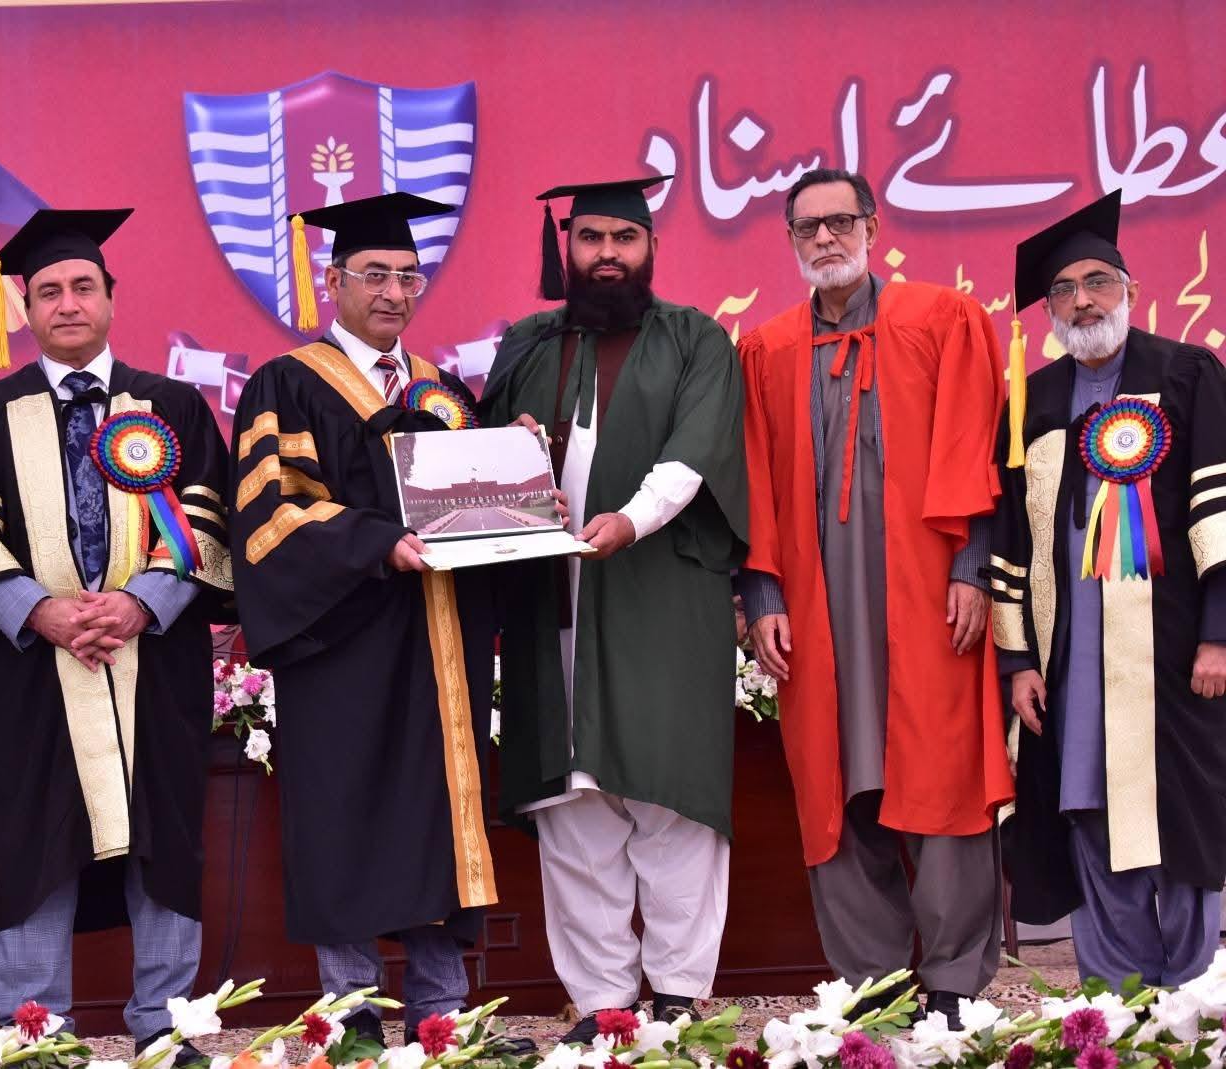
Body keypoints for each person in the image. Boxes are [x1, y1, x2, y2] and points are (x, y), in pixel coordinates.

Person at [0, 209, 232, 1059]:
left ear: (111, 299)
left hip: (154, 657)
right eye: (49, 291)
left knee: (167, 834)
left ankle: (165, 1024)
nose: (67, 304)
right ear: (24, 308)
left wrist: (142, 603)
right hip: (30, 663)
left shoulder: (172, 405)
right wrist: (39, 609)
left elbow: (207, 520)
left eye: (83, 287)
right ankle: (36, 1031)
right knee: (35, 835)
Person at [228, 193, 532, 1051]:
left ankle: (443, 1017)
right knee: (346, 819)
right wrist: (377, 543)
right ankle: (352, 1021)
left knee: (436, 818)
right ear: (334, 282)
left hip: (437, 641)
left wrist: (515, 460)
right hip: (343, 644)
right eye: (374, 275)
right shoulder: (288, 384)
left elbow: (476, 507)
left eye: (408, 276)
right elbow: (271, 513)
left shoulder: (443, 391)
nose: (394, 292)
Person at [737, 168, 1012, 1023]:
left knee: (942, 772)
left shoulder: (943, 319)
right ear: (790, 240)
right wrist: (761, 594)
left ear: (872, 226)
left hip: (929, 594)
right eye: (807, 227)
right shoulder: (767, 348)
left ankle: (953, 983)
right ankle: (874, 983)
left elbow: (976, 446)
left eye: (840, 221)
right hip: (815, 603)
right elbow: (753, 481)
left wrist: (972, 567)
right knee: (835, 781)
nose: (825, 238)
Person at [478, 177, 749, 1037]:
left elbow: (695, 451)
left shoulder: (697, 339)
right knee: (573, 803)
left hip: (661, 590)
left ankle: (677, 990)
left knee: (671, 795)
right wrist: (513, 452)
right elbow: (478, 462)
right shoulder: (526, 344)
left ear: (651, 248)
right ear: (567, 247)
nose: (605, 255)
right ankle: (601, 1000)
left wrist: (632, 519)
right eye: (589, 237)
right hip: (549, 598)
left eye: (622, 239)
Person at [989, 192, 1226, 986]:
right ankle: (1120, 1002)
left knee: (1177, 810)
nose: (1082, 300)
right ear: (1049, 310)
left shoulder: (1187, 373)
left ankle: (1194, 996)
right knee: (1085, 803)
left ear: (1130, 288)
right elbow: (1012, 538)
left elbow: (1219, 513)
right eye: (1063, 289)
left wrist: (1219, 634)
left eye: (1098, 281)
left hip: (1173, 652)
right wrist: (1018, 661)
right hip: (1072, 657)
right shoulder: (1034, 402)